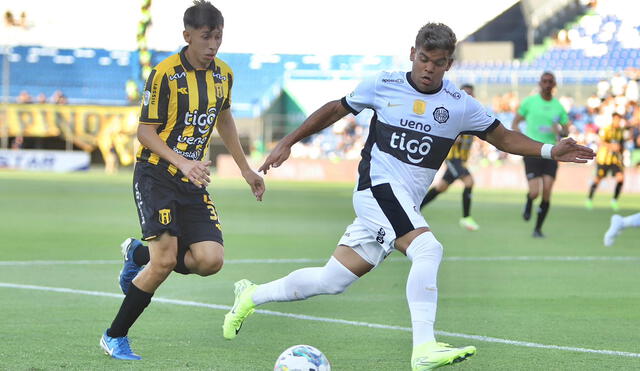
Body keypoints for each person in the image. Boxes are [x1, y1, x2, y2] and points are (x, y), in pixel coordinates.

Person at [221, 23, 594, 371]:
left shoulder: (459, 104)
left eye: (439, 63)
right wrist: (288, 140)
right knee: (428, 249)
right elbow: (335, 109)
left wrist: (549, 150)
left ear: (449, 64)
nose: (429, 68)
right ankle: (424, 347)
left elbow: (502, 136)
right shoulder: (382, 84)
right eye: (423, 59)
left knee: (331, 280)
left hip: (400, 202)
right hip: (376, 190)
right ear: (412, 53)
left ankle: (251, 295)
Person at [99, 1, 265, 360]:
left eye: (218, 38)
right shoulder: (164, 74)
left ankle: (137, 253)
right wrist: (183, 162)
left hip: (191, 181)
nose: (213, 46)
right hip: (156, 176)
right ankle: (114, 336)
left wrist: (245, 169)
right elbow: (145, 133)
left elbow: (224, 120)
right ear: (187, 35)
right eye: (206, 37)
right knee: (163, 263)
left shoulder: (224, 75)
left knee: (209, 260)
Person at [511, 72, 570, 238]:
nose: (547, 84)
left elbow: (566, 130)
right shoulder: (530, 102)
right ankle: (529, 200)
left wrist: (559, 129)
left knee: (547, 191)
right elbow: (515, 122)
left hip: (552, 152)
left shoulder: (558, 106)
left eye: (550, 81)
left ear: (554, 84)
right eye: (544, 81)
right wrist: (520, 138)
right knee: (535, 191)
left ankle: (537, 229)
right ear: (540, 83)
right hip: (532, 150)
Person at [420, 84, 480, 231]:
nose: (468, 96)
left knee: (441, 187)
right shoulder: (452, 112)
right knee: (469, 182)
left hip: (461, 159)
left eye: (471, 94)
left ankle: (415, 209)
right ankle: (466, 218)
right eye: (465, 93)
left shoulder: (472, 113)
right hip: (452, 158)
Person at [585, 112, 625, 211]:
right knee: (598, 179)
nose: (617, 121)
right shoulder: (606, 129)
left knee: (621, 178)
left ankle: (614, 201)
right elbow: (601, 142)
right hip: (603, 159)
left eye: (619, 120)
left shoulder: (620, 131)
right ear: (613, 119)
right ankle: (589, 198)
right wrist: (612, 146)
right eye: (616, 119)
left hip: (615, 160)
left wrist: (621, 150)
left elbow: (620, 144)